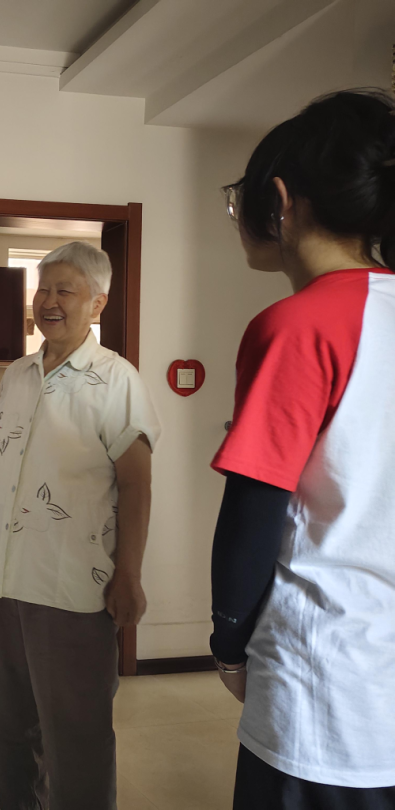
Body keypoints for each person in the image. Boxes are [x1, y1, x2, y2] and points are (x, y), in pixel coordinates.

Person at [210, 89, 395, 808]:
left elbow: (253, 511)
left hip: (323, 681)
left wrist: (229, 641)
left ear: (281, 201)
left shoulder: (297, 326)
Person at [0, 240, 160, 810]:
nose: (48, 301)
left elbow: (136, 485)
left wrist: (129, 575)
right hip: (4, 583)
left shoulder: (116, 380)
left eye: (65, 291)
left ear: (98, 303)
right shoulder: (18, 374)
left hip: (71, 588)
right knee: (10, 729)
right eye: (43, 289)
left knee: (75, 738)